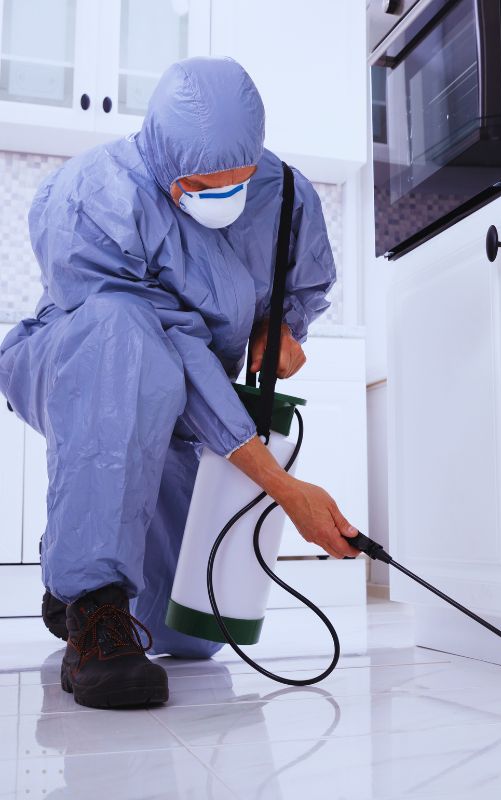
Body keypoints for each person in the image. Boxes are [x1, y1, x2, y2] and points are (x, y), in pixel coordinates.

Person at [0, 57, 360, 710]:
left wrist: (280, 328)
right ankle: (94, 606)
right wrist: (282, 487)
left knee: (189, 635)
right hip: (85, 365)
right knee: (123, 334)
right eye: (199, 185)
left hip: (185, 399)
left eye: (238, 179)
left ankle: (74, 556)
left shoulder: (285, 194)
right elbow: (169, 348)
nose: (223, 195)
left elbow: (300, 284)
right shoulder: (93, 194)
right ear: (165, 159)